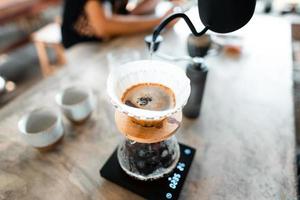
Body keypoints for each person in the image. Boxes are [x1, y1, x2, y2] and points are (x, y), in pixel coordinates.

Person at [61, 0, 178, 48]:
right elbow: (103, 27)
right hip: (81, 46)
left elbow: (128, 15)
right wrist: (160, 20)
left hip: (111, 40)